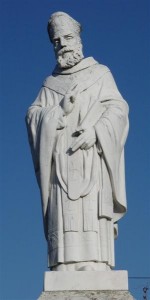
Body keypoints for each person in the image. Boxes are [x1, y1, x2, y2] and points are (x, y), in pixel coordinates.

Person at [26, 12, 129, 271]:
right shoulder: (50, 85)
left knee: (91, 212)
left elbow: (118, 109)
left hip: (92, 158)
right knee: (65, 215)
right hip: (61, 162)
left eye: (68, 37)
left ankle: (97, 263)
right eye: (57, 40)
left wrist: (96, 132)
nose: (63, 44)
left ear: (79, 38)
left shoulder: (99, 74)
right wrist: (58, 111)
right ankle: (64, 263)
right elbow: (33, 116)